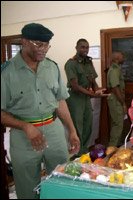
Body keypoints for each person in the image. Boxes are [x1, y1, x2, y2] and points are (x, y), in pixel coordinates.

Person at [1, 23, 80, 199]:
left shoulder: (51, 67)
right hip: (23, 137)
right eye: (39, 44)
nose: (44, 49)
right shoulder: (7, 73)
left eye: (46, 45)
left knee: (62, 181)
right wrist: (25, 126)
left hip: (54, 130)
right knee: (27, 187)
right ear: (24, 42)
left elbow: (60, 101)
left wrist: (72, 131)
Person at [64, 38, 106, 157]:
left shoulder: (88, 62)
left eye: (87, 47)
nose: (85, 50)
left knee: (88, 125)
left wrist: (97, 90)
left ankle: (83, 150)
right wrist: (93, 94)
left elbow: (93, 81)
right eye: (82, 47)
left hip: (86, 98)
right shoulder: (71, 63)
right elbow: (75, 86)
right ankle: (77, 153)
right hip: (75, 97)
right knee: (78, 127)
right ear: (76, 48)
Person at [107, 51, 127, 147]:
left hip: (116, 99)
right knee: (118, 124)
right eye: (122, 56)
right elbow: (115, 88)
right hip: (115, 100)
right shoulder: (114, 70)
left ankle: (116, 147)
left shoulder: (117, 69)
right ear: (116, 59)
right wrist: (123, 103)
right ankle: (112, 149)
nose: (124, 58)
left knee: (118, 123)